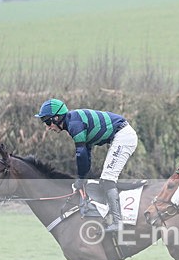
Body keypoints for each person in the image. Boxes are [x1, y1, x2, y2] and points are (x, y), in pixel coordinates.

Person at [35, 98, 137, 233]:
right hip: (120, 136)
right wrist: (82, 177)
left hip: (123, 136)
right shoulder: (74, 122)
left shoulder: (74, 125)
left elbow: (81, 154)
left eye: (48, 122)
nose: (48, 128)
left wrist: (81, 178)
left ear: (57, 118)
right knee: (105, 179)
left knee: (108, 179)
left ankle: (117, 222)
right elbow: (86, 153)